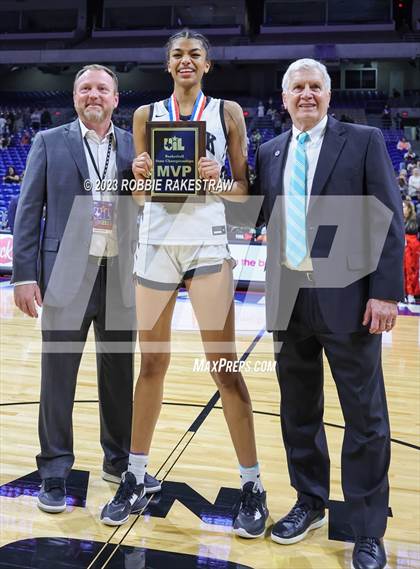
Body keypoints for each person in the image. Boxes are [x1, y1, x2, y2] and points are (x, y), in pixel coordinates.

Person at [100, 29, 269, 538]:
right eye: (178, 55)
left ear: (208, 65)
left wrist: (218, 178)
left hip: (208, 244)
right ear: (167, 65)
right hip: (156, 244)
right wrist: (141, 175)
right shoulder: (145, 115)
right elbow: (138, 196)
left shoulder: (228, 113)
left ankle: (253, 485)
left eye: (195, 54)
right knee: (151, 363)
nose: (186, 61)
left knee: (224, 367)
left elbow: (243, 196)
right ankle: (134, 476)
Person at [253, 59, 404, 569]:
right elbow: (255, 213)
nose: (307, 94)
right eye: (297, 87)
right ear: (284, 97)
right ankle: (310, 501)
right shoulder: (270, 150)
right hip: (289, 300)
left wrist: (386, 293)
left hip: (350, 299)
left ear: (329, 95)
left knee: (365, 417)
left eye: (315, 86)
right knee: (298, 411)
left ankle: (367, 528)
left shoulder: (361, 141)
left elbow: (387, 217)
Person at [12, 64, 160, 514]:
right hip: (64, 276)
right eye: (84, 89)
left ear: (116, 99)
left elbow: (151, 206)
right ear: (74, 98)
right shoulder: (48, 142)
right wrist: (24, 275)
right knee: (58, 377)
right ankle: (54, 471)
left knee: (118, 376)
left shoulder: (136, 148)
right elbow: (28, 211)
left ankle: (118, 461)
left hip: (119, 275)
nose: (93, 95)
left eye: (102, 89)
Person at [403, 199, 420, 303]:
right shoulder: (399, 219)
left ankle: (411, 293)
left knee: (411, 271)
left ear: (409, 209)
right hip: (402, 248)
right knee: (401, 271)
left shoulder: (415, 220)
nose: (402, 209)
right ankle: (403, 293)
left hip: (412, 248)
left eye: (404, 207)